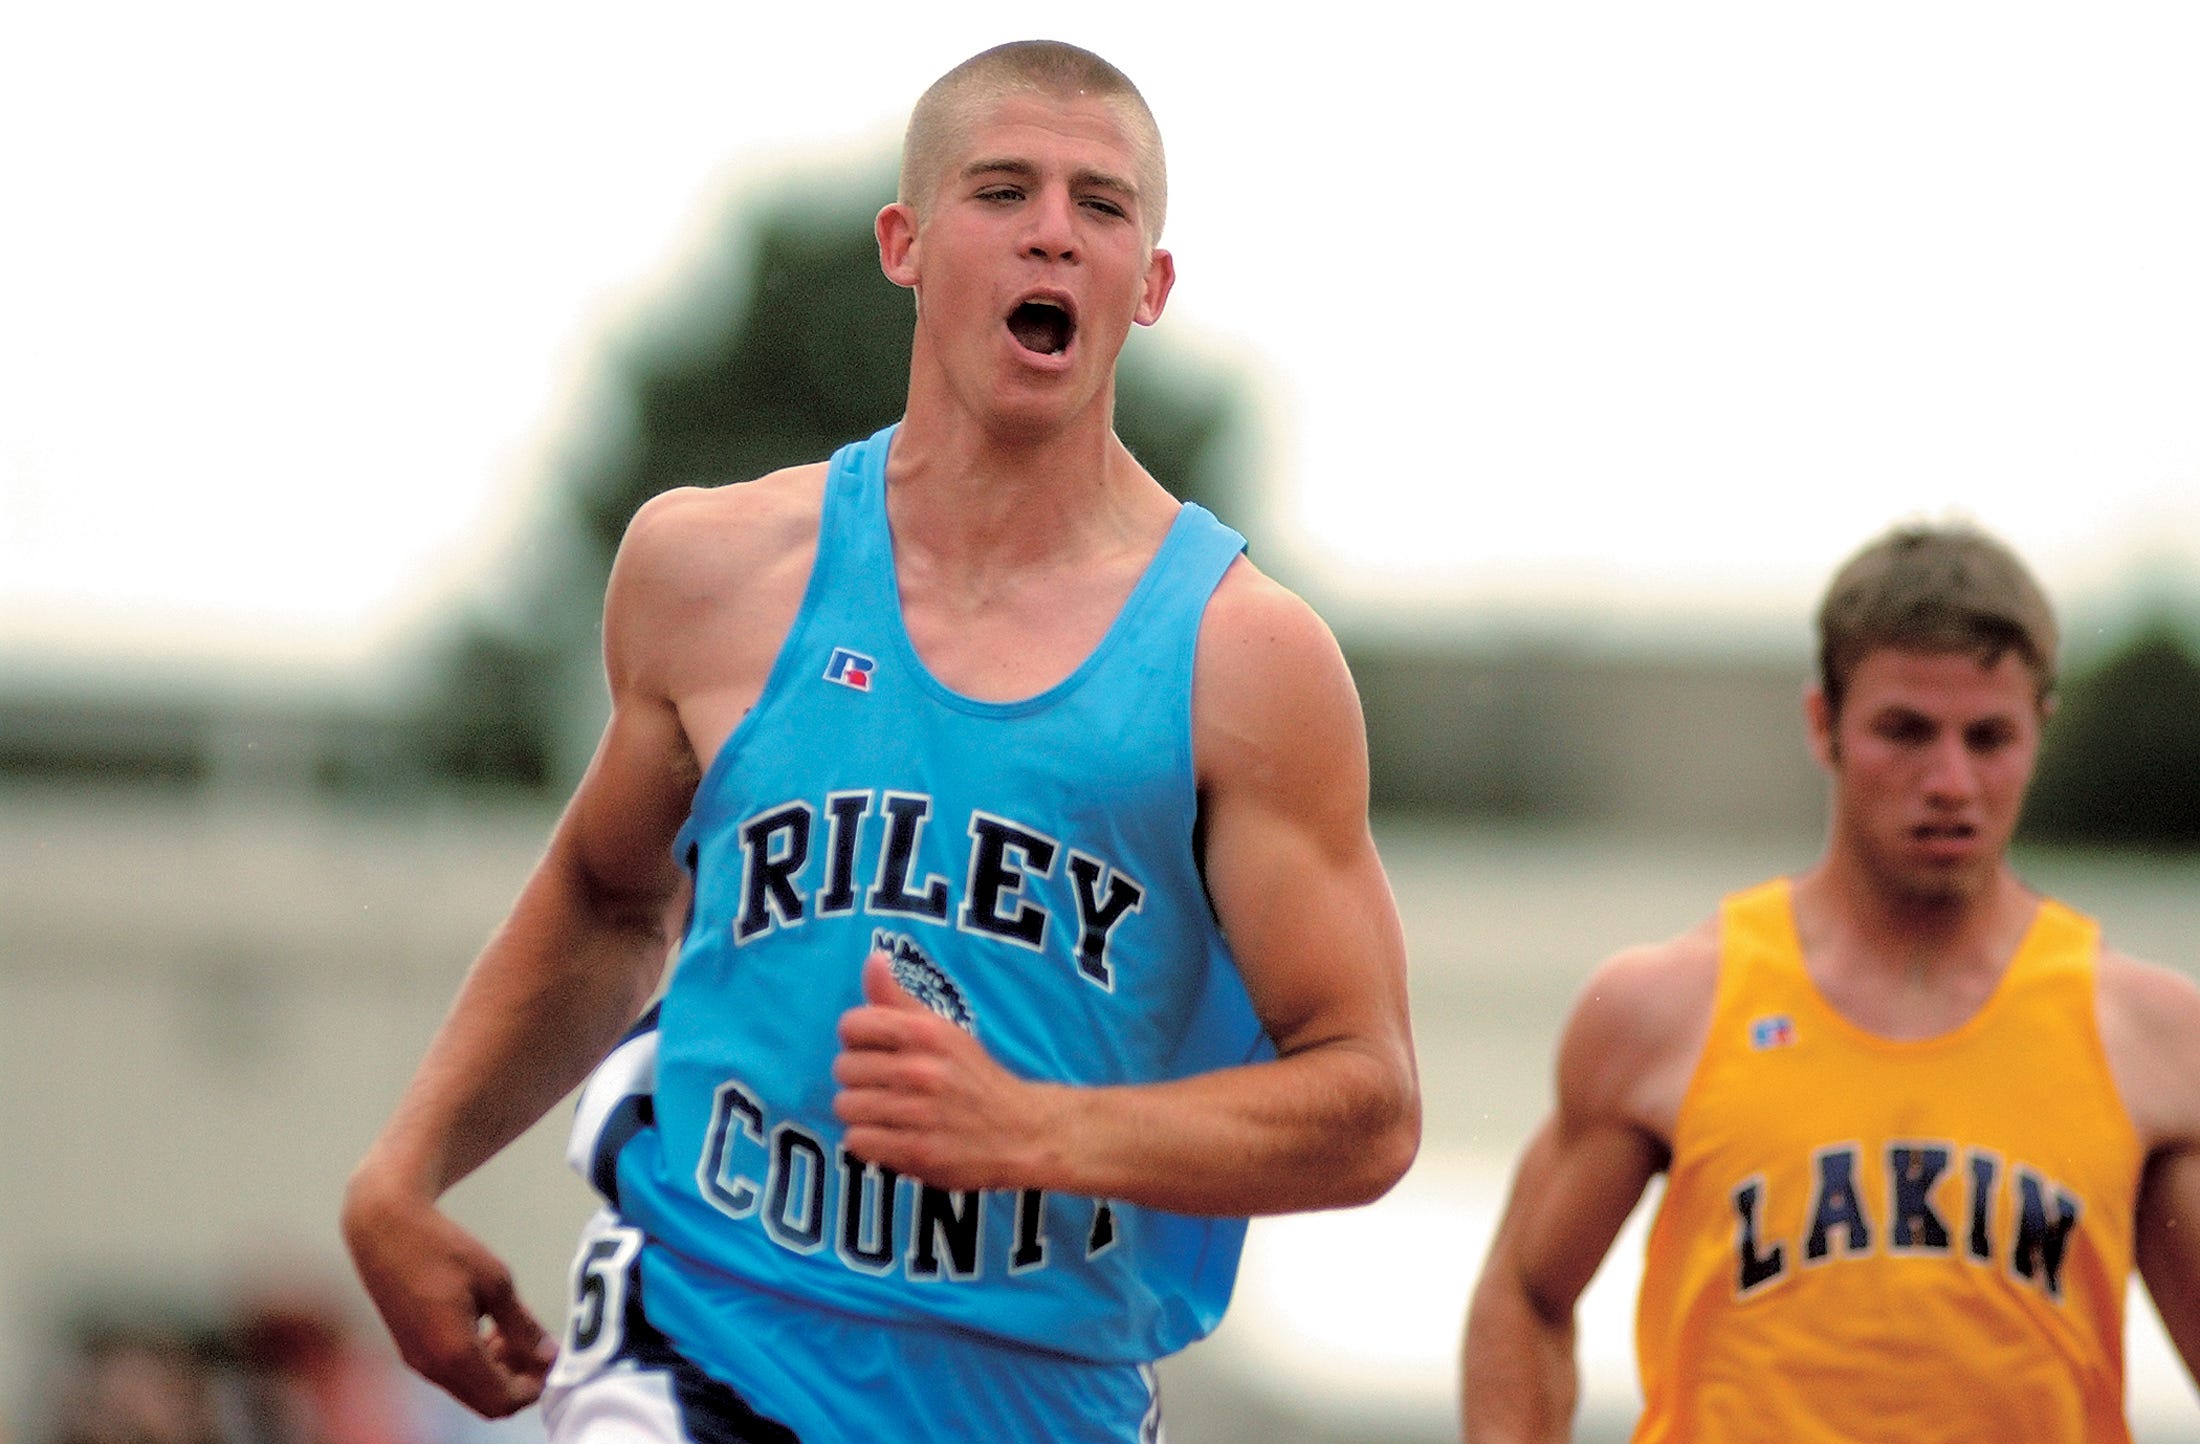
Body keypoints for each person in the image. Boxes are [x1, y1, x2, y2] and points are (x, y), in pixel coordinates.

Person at [340, 39, 1420, 1444]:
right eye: (1002, 190)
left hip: (1040, 1397)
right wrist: (403, 1174)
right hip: (704, 1338)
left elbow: (1369, 1105)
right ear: (904, 244)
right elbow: (609, 902)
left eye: (1102, 205)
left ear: (1148, 287)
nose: (1053, 230)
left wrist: (1042, 1134)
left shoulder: (1244, 658)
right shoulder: (713, 571)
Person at [1461, 523, 2200, 1441]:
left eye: (1989, 737)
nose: (1950, 780)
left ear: (2039, 731)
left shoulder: (2152, 1037)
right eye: (1906, 731)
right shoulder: (1671, 1010)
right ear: (1824, 724)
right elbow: (1525, 1297)